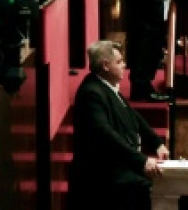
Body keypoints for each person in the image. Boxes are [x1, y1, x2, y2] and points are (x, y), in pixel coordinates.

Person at [69, 40, 171, 210]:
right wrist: (141, 161)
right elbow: (105, 134)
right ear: (105, 65)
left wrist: (157, 143)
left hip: (117, 167)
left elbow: (134, 116)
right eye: (119, 62)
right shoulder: (91, 93)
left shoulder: (106, 86)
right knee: (153, 188)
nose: (124, 65)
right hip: (101, 176)